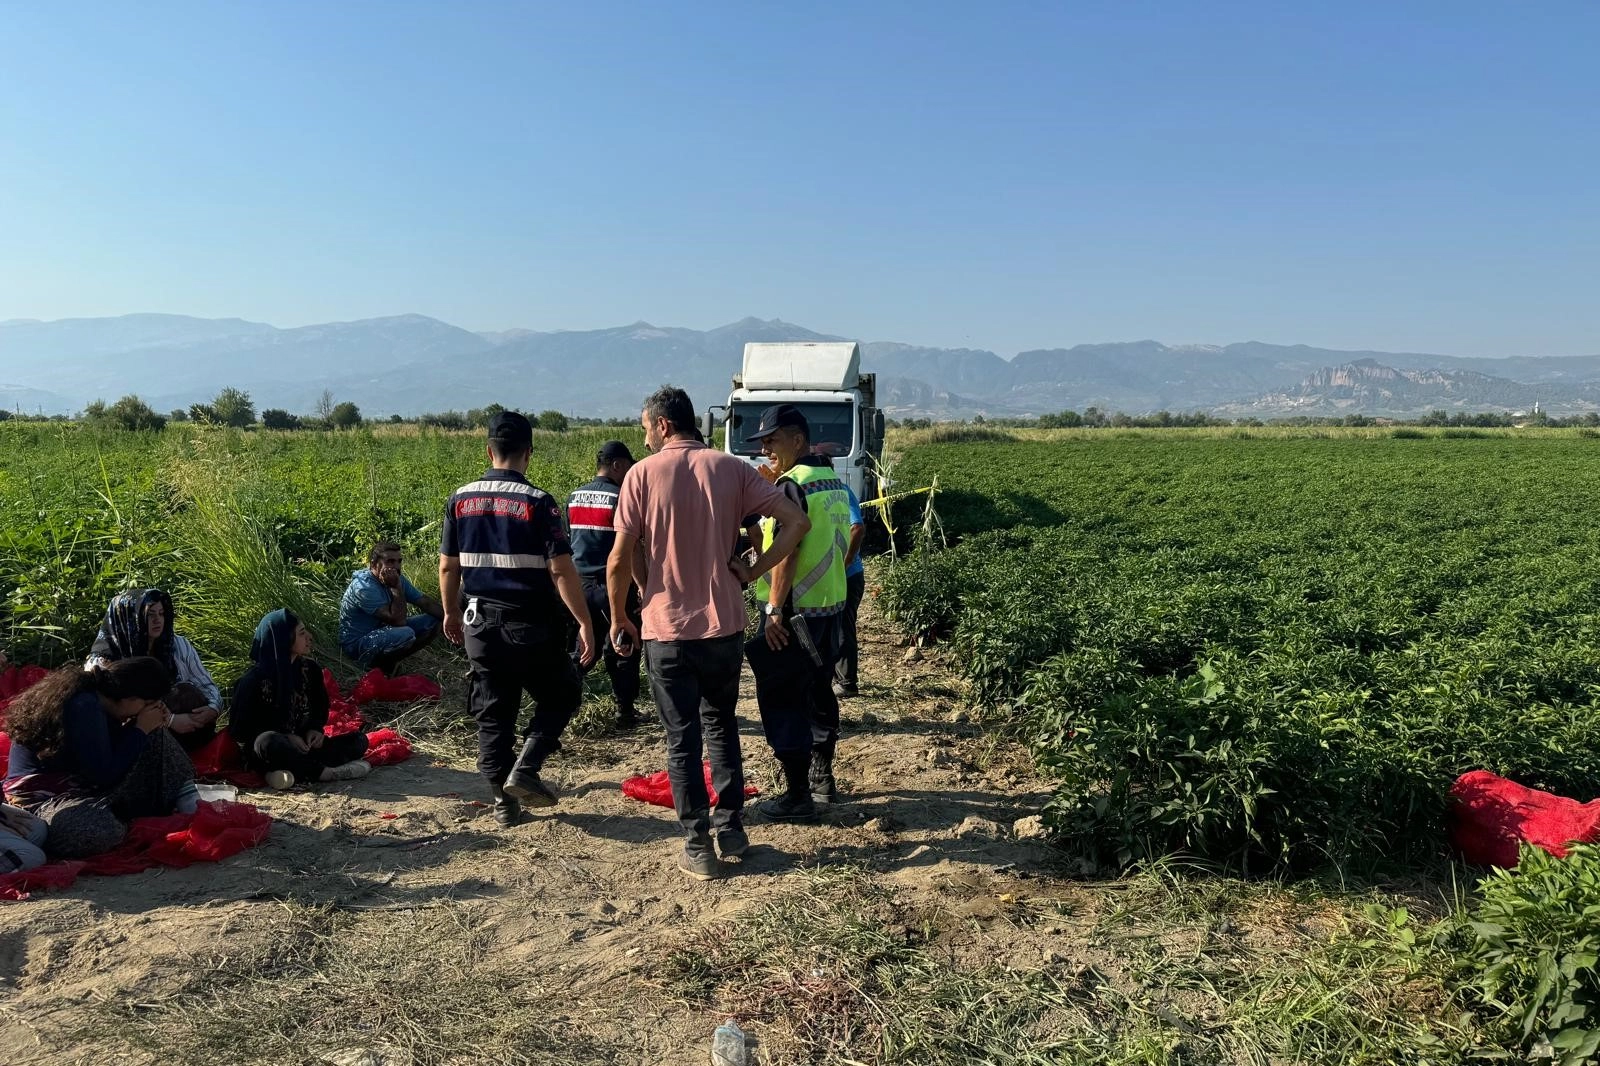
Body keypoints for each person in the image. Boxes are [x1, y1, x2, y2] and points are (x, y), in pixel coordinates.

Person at [608, 386, 811, 880]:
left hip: (667, 629)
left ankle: (698, 844)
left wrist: (622, 614)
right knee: (720, 725)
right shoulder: (732, 468)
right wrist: (754, 569)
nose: (645, 438)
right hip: (722, 627)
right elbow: (796, 520)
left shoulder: (641, 474)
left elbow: (619, 556)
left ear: (660, 425)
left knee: (682, 738)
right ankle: (732, 826)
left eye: (644, 429)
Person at [439, 411, 597, 827]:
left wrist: (451, 612)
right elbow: (562, 570)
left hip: (479, 624)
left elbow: (447, 568)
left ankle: (502, 803)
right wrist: (584, 622)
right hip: (531, 625)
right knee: (561, 693)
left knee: (494, 711)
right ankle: (526, 768)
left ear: (489, 450)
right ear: (529, 453)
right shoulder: (539, 503)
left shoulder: (459, 499)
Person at [741, 404, 855, 822]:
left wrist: (773, 608)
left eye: (772, 440)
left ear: (797, 439)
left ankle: (796, 795)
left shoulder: (793, 486)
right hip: (829, 607)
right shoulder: (831, 481)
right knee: (819, 693)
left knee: (783, 699)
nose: (766, 450)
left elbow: (789, 554)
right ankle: (822, 780)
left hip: (791, 614)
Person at [3, 657, 200, 859]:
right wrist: (140, 729)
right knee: (98, 829)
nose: (148, 710)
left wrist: (145, 728)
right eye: (148, 704)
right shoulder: (85, 705)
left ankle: (185, 795)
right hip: (44, 800)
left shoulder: (103, 703)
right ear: (130, 698)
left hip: (86, 787)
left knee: (156, 734)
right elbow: (102, 774)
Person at [229, 609, 371, 789]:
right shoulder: (253, 681)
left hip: (303, 745)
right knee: (269, 742)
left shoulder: (309, 670)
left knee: (359, 741)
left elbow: (320, 707)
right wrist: (287, 738)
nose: (309, 637)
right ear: (284, 639)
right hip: (269, 750)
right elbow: (240, 732)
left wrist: (314, 730)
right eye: (302, 633)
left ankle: (285, 773)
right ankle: (323, 773)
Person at [86, 589, 222, 752]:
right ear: (129, 618)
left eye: (161, 613)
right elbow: (121, 708)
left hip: (185, 726)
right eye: (150, 615)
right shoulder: (102, 662)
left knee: (188, 693)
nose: (158, 620)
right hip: (135, 734)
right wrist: (170, 720)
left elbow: (206, 684)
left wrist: (212, 709)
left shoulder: (177, 645)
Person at [567, 440, 642, 729]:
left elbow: (567, 541)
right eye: (628, 467)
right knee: (623, 647)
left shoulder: (574, 497)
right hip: (613, 585)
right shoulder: (621, 498)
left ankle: (565, 707)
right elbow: (630, 550)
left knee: (584, 647)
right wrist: (641, 586)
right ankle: (625, 713)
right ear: (617, 465)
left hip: (578, 586)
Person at [338, 542, 445, 674]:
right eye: (390, 561)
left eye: (399, 561)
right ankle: (374, 667)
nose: (396, 566)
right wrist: (396, 587)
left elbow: (425, 603)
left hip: (384, 632)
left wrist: (455, 620)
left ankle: (392, 663)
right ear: (373, 564)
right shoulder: (364, 587)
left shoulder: (395, 577)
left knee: (434, 620)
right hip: (357, 645)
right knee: (405, 633)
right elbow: (398, 622)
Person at [833, 480, 867, 698]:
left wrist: (844, 563)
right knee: (835, 626)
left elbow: (857, 528)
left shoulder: (840, 491)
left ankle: (847, 682)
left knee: (842, 627)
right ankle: (838, 676)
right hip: (834, 576)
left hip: (848, 575)